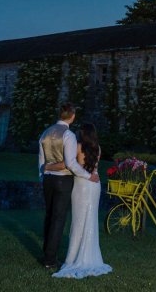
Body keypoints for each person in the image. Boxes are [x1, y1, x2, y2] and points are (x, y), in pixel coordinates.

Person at [45, 122, 112, 279]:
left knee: (79, 221)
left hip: (82, 185)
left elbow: (69, 165)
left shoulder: (78, 146)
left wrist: (49, 166)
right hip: (95, 184)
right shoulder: (98, 148)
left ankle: (74, 258)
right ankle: (90, 255)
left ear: (83, 134)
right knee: (90, 220)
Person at [38, 102, 99, 270]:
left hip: (47, 179)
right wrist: (88, 176)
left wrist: (42, 175)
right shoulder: (68, 135)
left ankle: (47, 253)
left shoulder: (45, 132)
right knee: (58, 219)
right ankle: (50, 260)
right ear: (72, 116)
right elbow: (71, 164)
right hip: (63, 180)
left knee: (49, 216)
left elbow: (41, 160)